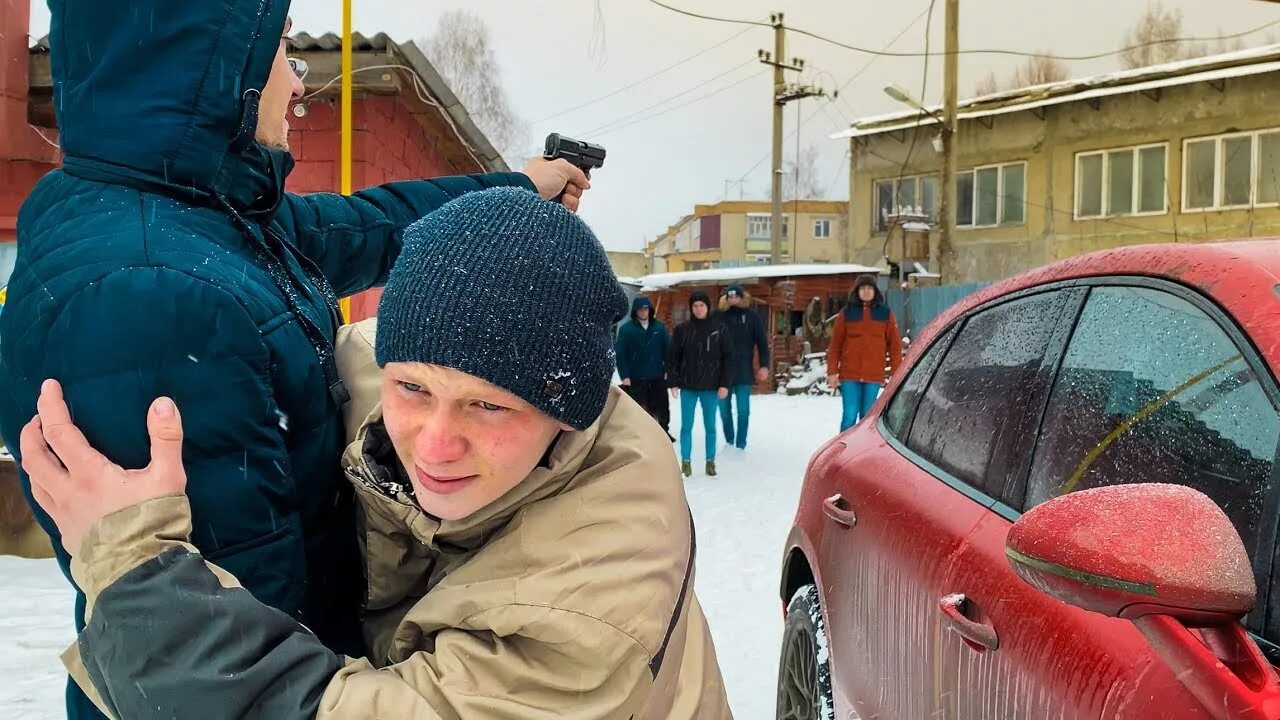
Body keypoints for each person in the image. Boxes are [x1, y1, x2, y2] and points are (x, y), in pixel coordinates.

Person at [0, 5, 588, 718]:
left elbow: (366, 227)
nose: (297, 86)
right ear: (214, 70)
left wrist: (518, 192)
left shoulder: (183, 210)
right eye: (282, 54)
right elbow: (233, 656)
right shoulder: (152, 294)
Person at [19, 188, 733, 719]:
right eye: (414, 389)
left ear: (564, 412)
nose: (434, 441)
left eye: (489, 406)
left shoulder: (592, 604)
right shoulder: (368, 375)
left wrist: (130, 565)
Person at [826, 274, 903, 431]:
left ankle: (861, 454)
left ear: (875, 291)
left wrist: (897, 373)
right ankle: (844, 453)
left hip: (873, 375)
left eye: (869, 288)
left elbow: (895, 347)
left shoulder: (885, 314)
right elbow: (835, 345)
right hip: (849, 375)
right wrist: (832, 372)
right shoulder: (846, 313)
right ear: (857, 291)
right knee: (849, 415)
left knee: (867, 418)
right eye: (863, 288)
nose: (866, 291)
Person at [668, 292, 732, 478]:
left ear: (707, 307)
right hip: (688, 386)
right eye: (695, 306)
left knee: (710, 426)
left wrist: (724, 384)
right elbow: (673, 357)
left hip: (711, 387)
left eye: (701, 305)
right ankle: (686, 461)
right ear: (691, 308)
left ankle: (710, 461)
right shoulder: (682, 330)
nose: (698, 309)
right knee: (686, 426)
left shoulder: (719, 329)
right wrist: (673, 381)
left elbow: (728, 358)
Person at [715, 285, 770, 450]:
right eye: (730, 297)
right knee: (724, 411)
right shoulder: (717, 317)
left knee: (743, 410)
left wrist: (764, 365)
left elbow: (762, 342)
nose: (733, 300)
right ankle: (730, 441)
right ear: (726, 299)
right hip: (721, 372)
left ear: (742, 297)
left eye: (736, 297)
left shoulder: (752, 317)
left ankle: (740, 444)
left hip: (743, 371)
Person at [615, 296, 674, 441]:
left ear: (650, 310)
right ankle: (639, 433)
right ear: (635, 311)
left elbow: (668, 350)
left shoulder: (659, 328)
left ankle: (664, 431)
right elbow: (621, 354)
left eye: (646, 309)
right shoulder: (627, 330)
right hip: (636, 377)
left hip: (657, 375)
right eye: (640, 309)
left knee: (661, 406)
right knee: (638, 407)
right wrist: (625, 375)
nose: (643, 312)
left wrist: (668, 369)